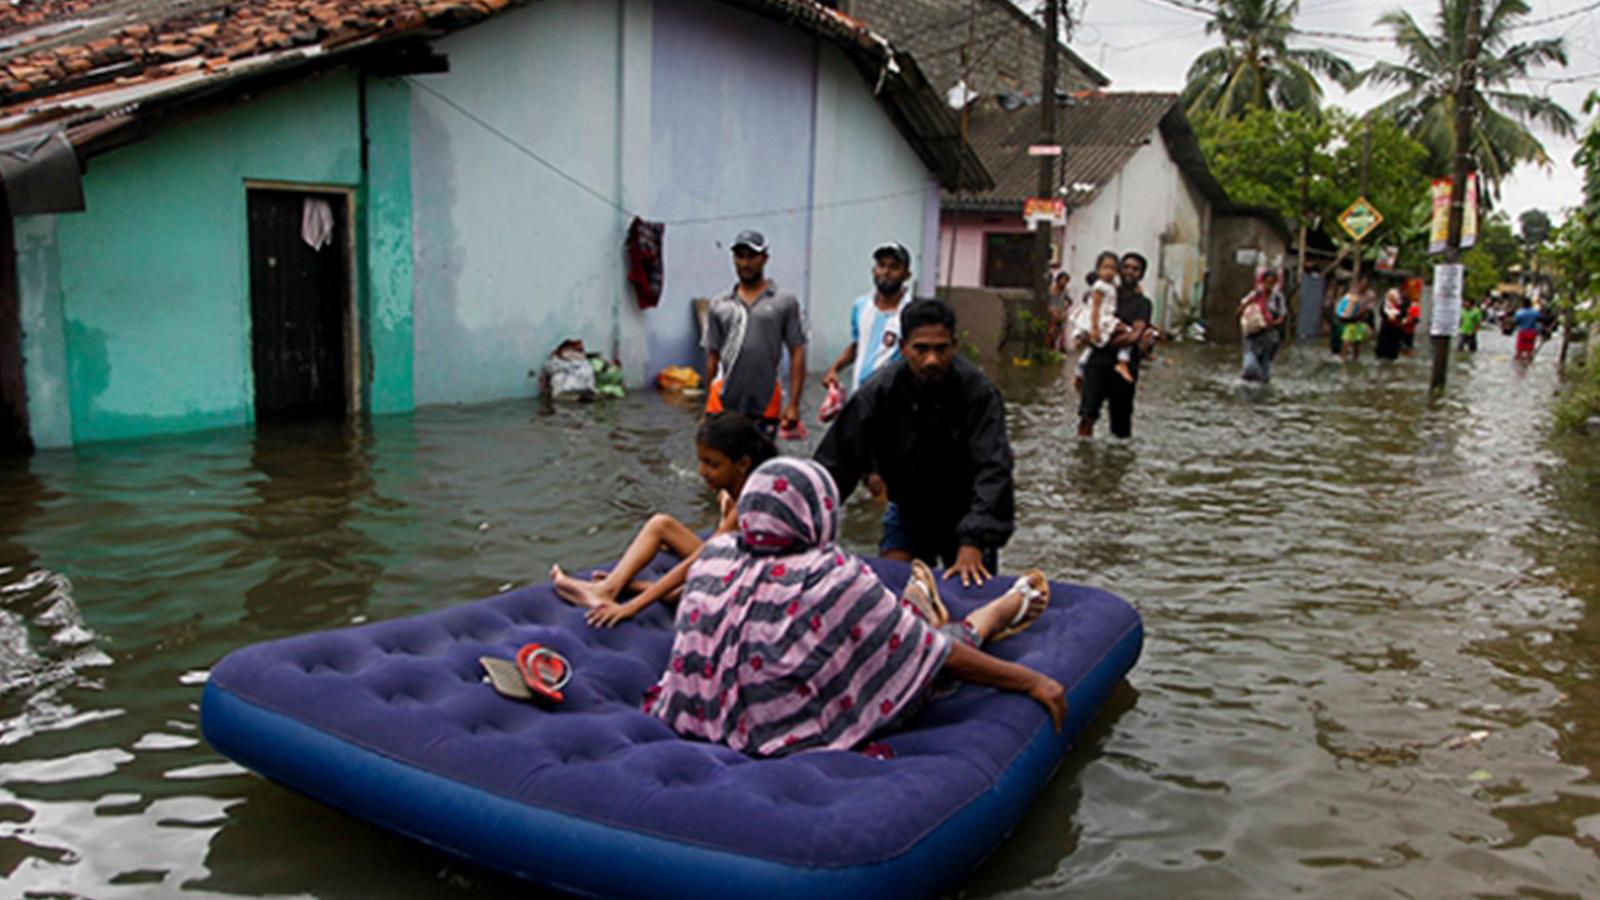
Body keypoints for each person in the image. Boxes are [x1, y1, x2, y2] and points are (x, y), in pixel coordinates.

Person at [641, 458, 1064, 758]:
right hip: (789, 729)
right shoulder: (832, 574)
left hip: (698, 716)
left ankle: (916, 604)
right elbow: (933, 656)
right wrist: (1030, 682)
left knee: (891, 633)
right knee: (934, 649)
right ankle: (999, 610)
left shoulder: (715, 555)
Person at [814, 299, 1013, 587]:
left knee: (971, 595)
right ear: (904, 347)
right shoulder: (878, 393)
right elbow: (837, 461)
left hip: (966, 512)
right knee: (889, 589)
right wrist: (809, 528)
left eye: (941, 349)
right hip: (908, 508)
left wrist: (974, 541)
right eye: (921, 349)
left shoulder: (978, 394)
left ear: (954, 346)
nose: (931, 359)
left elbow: (993, 468)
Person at [549, 413, 776, 627]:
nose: (702, 471)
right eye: (701, 461)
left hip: (755, 582)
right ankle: (614, 587)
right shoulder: (728, 492)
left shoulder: (751, 499)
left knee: (688, 586)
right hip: (738, 561)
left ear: (743, 464)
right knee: (661, 525)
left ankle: (618, 590)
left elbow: (703, 558)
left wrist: (631, 607)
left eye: (713, 464)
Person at [703, 230, 807, 437]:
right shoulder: (720, 304)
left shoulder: (784, 301)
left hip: (765, 398)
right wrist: (706, 403)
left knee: (759, 462)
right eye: (740, 256)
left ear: (765, 258)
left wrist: (794, 404)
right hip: (722, 399)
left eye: (752, 256)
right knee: (720, 462)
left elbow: (797, 350)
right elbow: (712, 355)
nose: (745, 263)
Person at [822, 241, 915, 398]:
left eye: (894, 267)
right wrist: (834, 369)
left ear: (907, 275)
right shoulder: (861, 306)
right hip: (860, 398)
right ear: (874, 270)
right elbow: (858, 344)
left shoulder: (912, 312)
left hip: (895, 401)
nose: (886, 272)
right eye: (882, 265)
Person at [1077, 251, 1153, 439]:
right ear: (1119, 270)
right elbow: (1087, 322)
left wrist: (1103, 341)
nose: (1130, 272)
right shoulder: (1106, 293)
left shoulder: (1142, 303)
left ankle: (1118, 465)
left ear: (1141, 275)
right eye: (1126, 267)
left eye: (1135, 269)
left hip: (1125, 368)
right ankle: (1084, 460)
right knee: (1087, 416)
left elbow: (1135, 335)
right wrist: (1094, 337)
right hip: (1097, 364)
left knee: (1120, 425)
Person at [1071, 251, 1135, 384]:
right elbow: (1095, 307)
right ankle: (1123, 361)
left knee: (1095, 346)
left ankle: (1079, 370)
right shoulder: (1099, 286)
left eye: (1113, 268)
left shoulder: (1112, 286)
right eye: (1105, 267)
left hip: (1105, 319)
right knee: (1129, 332)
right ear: (1098, 270)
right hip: (1101, 319)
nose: (1109, 272)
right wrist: (1095, 328)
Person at [1238, 269, 1287, 382]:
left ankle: (1260, 391)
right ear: (1262, 282)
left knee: (1265, 372)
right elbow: (1240, 310)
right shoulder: (1254, 295)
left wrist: (1270, 323)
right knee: (1249, 366)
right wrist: (1248, 307)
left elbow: (1282, 317)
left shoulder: (1278, 298)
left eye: (1272, 283)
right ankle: (1247, 385)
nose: (1268, 286)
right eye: (1267, 282)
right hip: (1252, 336)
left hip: (1269, 338)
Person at [1374, 288, 1406, 361]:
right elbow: (1383, 314)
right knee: (1382, 350)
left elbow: (1403, 315)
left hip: (1395, 331)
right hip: (1386, 330)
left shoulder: (1401, 306)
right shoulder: (1384, 305)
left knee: (1392, 352)